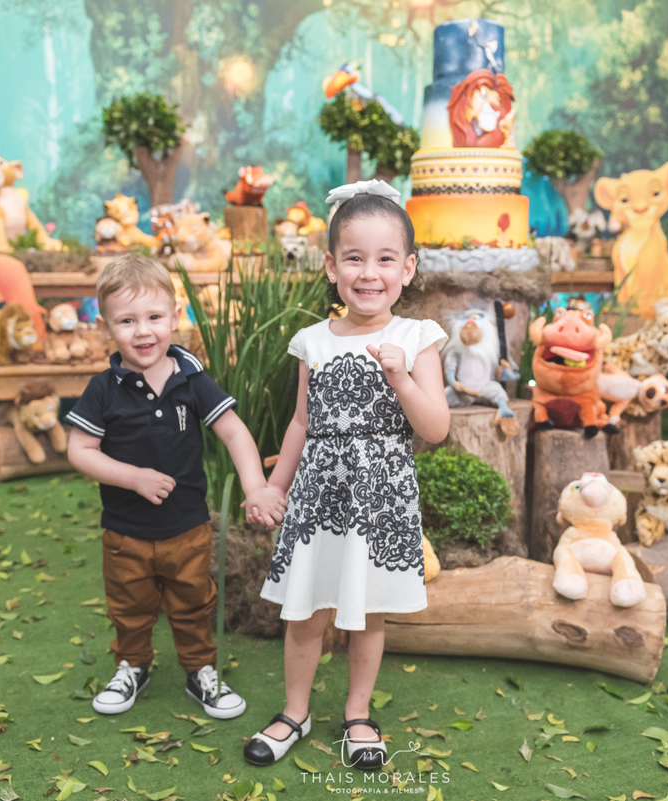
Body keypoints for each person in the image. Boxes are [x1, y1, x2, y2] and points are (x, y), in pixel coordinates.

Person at [242, 181, 450, 771]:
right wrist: (275, 486)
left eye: (385, 259)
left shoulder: (417, 338)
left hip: (379, 502)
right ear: (332, 267)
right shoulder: (312, 341)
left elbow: (435, 428)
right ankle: (295, 712)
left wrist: (401, 379)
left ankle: (358, 713)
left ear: (408, 268)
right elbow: (301, 423)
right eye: (354, 258)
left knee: (368, 612)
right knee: (305, 611)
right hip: (318, 499)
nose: (369, 273)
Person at [65, 253, 286, 718]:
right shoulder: (103, 388)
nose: (143, 331)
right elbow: (79, 450)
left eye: (153, 317)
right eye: (127, 321)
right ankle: (132, 665)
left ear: (175, 316)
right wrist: (132, 477)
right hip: (125, 530)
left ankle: (200, 669)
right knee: (129, 606)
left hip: (187, 527)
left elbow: (233, 432)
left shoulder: (191, 380)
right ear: (106, 327)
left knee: (193, 602)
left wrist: (256, 487)